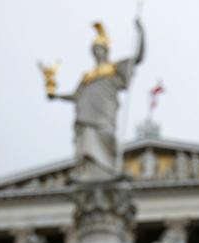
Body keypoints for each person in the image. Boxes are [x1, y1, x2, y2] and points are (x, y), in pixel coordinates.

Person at [48, 20, 145, 178]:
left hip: (105, 112)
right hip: (87, 115)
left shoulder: (114, 69)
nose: (97, 52)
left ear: (106, 50)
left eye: (100, 49)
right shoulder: (88, 76)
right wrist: (56, 95)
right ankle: (88, 172)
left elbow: (138, 57)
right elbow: (76, 96)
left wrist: (141, 33)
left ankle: (111, 169)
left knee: (108, 136)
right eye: (95, 49)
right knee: (87, 143)